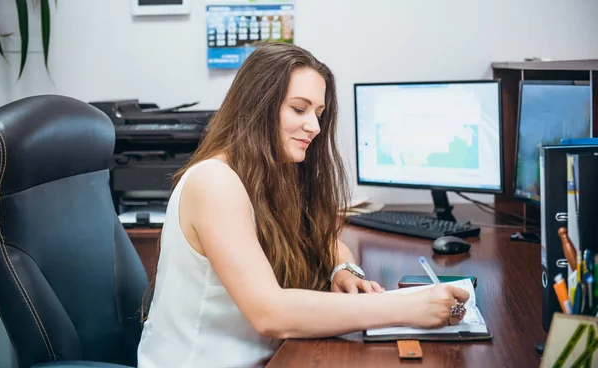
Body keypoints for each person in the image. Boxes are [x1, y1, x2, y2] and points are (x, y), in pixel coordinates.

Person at [136, 42, 469, 368]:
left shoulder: (269, 175)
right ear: (257, 106)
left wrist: (344, 268)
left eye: (319, 113)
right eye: (299, 109)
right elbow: (271, 313)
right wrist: (408, 308)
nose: (315, 126)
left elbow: (321, 240)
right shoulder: (214, 182)